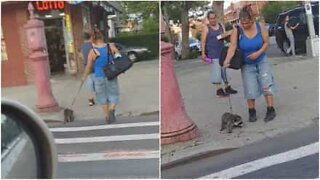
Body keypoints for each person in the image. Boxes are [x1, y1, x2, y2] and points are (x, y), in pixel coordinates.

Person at [223, 5, 276, 122]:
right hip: (246, 63)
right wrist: (227, 60)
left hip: (261, 59)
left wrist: (258, 53)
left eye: (247, 23)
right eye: (242, 23)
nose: (245, 25)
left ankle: (270, 109)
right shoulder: (237, 30)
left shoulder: (260, 26)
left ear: (252, 20)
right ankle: (252, 111)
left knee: (266, 84)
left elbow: (266, 43)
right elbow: (232, 47)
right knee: (249, 87)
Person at [82, 28, 121, 124]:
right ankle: (112, 109)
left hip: (98, 76)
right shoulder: (110, 47)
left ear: (93, 39)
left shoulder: (93, 51)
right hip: (111, 74)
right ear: (102, 38)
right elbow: (119, 56)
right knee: (114, 94)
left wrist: (84, 76)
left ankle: (107, 117)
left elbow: (89, 66)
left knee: (101, 96)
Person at [201, 11, 237, 97]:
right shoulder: (206, 28)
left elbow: (224, 36)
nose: (213, 20)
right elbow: (203, 41)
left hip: (222, 51)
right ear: (208, 19)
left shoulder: (221, 25)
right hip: (212, 52)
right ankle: (218, 90)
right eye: (211, 19)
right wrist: (203, 53)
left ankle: (227, 87)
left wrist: (228, 34)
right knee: (216, 71)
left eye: (214, 18)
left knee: (224, 69)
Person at [80, 31, 95, 106]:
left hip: (87, 67)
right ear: (90, 37)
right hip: (95, 65)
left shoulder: (82, 46)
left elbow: (81, 56)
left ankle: (90, 100)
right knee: (98, 81)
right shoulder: (93, 45)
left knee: (90, 83)